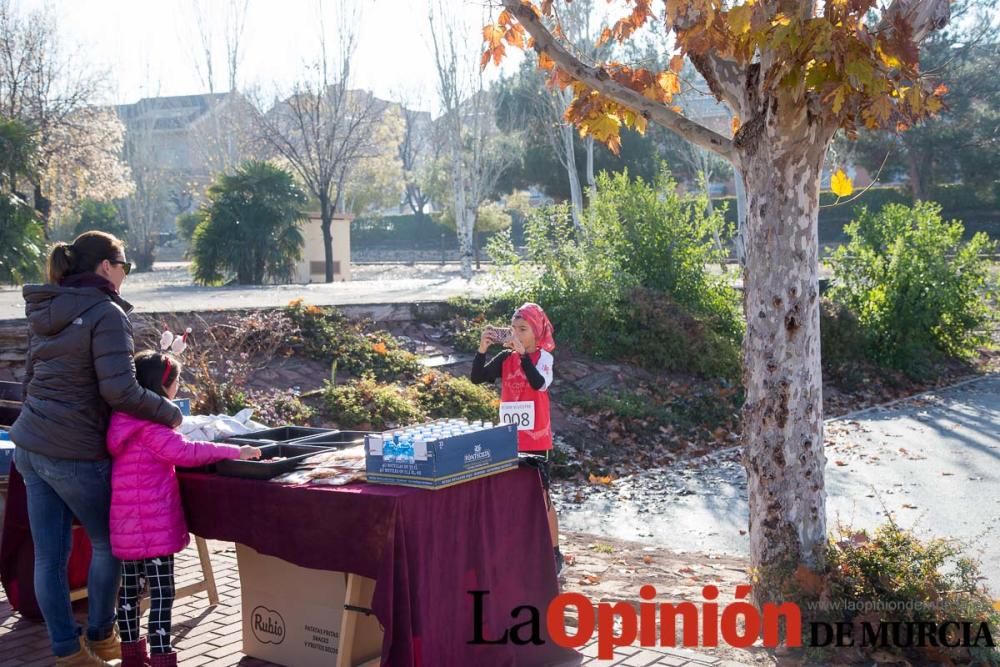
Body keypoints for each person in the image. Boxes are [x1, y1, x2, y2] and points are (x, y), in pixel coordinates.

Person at [11, 231, 183, 666]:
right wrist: (170, 414)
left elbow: (32, 380)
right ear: (106, 266)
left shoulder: (47, 306)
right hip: (72, 450)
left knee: (50, 556)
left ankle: (68, 653)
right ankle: (103, 636)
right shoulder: (106, 312)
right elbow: (120, 391)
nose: (127, 273)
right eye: (125, 264)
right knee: (111, 545)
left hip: (30, 444)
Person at [109, 350, 261, 667]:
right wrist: (236, 450)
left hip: (124, 524)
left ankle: (131, 655)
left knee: (129, 592)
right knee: (163, 591)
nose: (178, 387)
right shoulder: (152, 426)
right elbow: (187, 452)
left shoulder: (121, 420)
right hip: (154, 525)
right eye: (177, 381)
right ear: (163, 386)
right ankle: (162, 656)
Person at [470, 302, 564, 574]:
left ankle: (554, 553)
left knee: (542, 495)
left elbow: (538, 383)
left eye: (523, 329)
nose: (516, 334)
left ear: (536, 332)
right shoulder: (505, 359)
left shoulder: (544, 358)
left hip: (536, 438)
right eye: (513, 329)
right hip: (509, 438)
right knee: (509, 495)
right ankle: (516, 550)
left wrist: (524, 356)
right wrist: (483, 348)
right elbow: (477, 377)